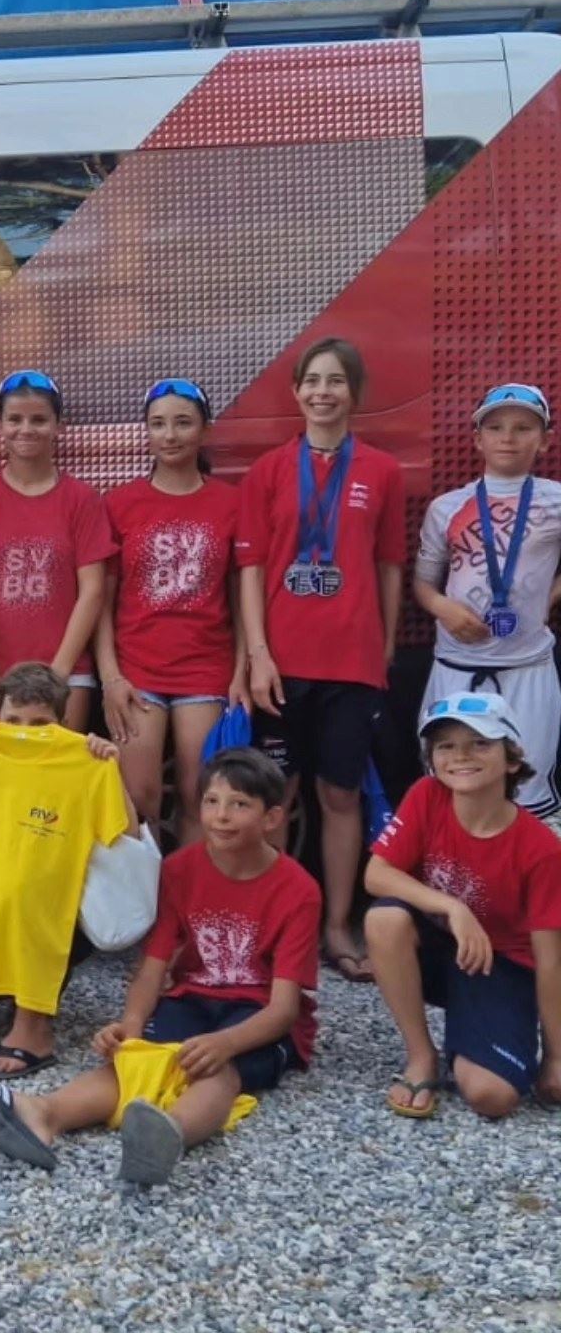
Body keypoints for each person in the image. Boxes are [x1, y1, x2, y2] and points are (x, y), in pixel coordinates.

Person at [0, 747, 320, 1184]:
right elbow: (153, 967)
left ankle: (167, 1135)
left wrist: (225, 1043)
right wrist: (130, 1027)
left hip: (257, 1015)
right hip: (193, 998)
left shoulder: (299, 890)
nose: (221, 816)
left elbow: (284, 1009)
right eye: (212, 801)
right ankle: (42, 1112)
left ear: (272, 818)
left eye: (240, 805)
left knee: (217, 1071)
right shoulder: (180, 869)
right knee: (132, 1062)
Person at [238, 336, 405, 981]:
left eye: (336, 381)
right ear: (296, 391)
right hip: (281, 663)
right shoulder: (268, 470)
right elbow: (252, 570)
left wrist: (382, 648)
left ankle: (337, 926)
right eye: (312, 380)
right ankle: (280, 926)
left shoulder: (382, 471)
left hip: (351, 662)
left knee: (340, 794)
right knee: (275, 796)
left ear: (354, 393)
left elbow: (389, 565)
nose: (323, 392)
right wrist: (257, 655)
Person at [0, 662, 137, 1078]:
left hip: (54, 914)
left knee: (32, 894)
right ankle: (20, 984)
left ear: (63, 725)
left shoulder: (81, 761)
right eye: (13, 721)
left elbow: (126, 839)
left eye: (39, 724)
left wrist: (110, 769)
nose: (24, 732)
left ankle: (34, 1028)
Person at [365, 693, 561, 1119]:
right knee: (385, 918)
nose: (460, 756)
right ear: (432, 758)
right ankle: (422, 1055)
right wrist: (454, 908)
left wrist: (555, 1056)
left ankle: (476, 1032)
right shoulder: (427, 795)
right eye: (446, 745)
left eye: (480, 743)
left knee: (492, 1097)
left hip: (501, 964)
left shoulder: (541, 848)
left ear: (512, 759)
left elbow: (550, 960)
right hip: (440, 946)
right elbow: (376, 874)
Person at [97, 378, 246, 844]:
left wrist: (241, 670)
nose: (170, 435)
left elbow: (241, 599)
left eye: (183, 423)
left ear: (205, 430)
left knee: (199, 793)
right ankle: (147, 890)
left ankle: (190, 887)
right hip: (137, 666)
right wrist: (110, 677)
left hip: (205, 666)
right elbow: (101, 602)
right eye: (158, 424)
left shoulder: (231, 503)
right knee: (138, 797)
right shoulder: (119, 504)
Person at [412, 383, 561, 824]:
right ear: (477, 439)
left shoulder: (555, 500)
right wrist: (444, 608)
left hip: (527, 668)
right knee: (448, 785)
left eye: (522, 428)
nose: (508, 438)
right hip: (457, 667)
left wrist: (550, 596)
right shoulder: (447, 507)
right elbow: (423, 585)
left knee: (529, 790)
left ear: (545, 440)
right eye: (495, 428)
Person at [0, 370, 113, 731]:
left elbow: (92, 592)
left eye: (39, 420)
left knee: (54, 766)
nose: (26, 429)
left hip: (64, 669)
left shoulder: (83, 499)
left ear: (58, 426)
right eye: (15, 419)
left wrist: (57, 677)